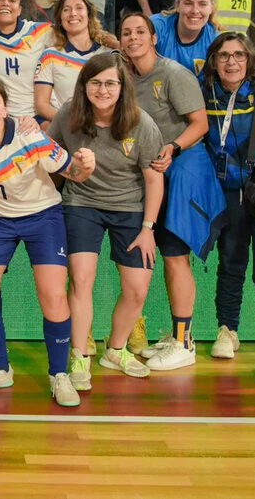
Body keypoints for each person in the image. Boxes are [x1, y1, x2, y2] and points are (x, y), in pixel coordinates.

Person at [0, 75, 95, 407]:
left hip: (43, 217)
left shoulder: (29, 136)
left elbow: (72, 173)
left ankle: (59, 375)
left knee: (52, 297)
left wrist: (85, 166)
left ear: (6, 107)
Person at [50, 52, 163, 386]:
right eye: (95, 83)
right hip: (81, 203)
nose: (103, 90)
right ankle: (80, 357)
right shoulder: (68, 116)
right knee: (81, 280)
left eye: (110, 83)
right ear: (84, 86)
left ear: (121, 86)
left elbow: (153, 179)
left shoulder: (141, 122)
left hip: (130, 208)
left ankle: (115, 349)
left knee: (137, 289)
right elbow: (49, 159)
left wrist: (147, 229)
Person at [118, 12, 222, 371]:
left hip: (181, 172)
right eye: (126, 33)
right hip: (149, 176)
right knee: (161, 256)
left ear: (153, 37)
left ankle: (184, 342)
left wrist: (172, 149)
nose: (133, 38)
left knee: (177, 257)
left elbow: (201, 124)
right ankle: (176, 335)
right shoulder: (125, 78)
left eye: (139, 32)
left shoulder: (175, 74)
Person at [201, 33, 255, 384]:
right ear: (213, 60)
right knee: (231, 264)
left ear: (250, 58)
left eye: (239, 55)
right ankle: (227, 330)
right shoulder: (202, 88)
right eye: (224, 55)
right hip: (226, 193)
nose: (232, 62)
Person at [34, 0, 117, 125]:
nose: (73, 13)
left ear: (89, 15)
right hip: (68, 129)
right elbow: (41, 105)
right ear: (60, 19)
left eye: (79, 8)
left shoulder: (108, 54)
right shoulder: (50, 55)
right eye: (66, 9)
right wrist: (72, 124)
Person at [152, 0, 221, 76]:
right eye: (188, 3)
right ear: (177, 5)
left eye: (202, 4)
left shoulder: (216, 41)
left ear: (211, 8)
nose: (195, 11)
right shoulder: (156, 26)